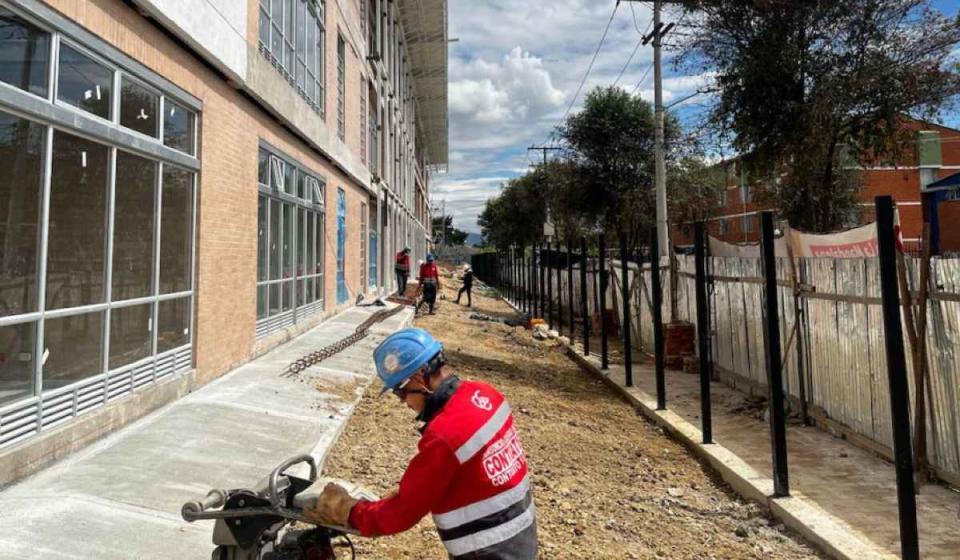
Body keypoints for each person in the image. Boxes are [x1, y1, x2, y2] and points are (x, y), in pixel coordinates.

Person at [303, 328, 538, 559]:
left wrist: (350, 510)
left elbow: (400, 515)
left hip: (487, 549)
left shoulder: (443, 435)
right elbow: (475, 469)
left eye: (400, 392)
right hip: (521, 536)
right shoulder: (486, 393)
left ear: (417, 378)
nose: (404, 401)